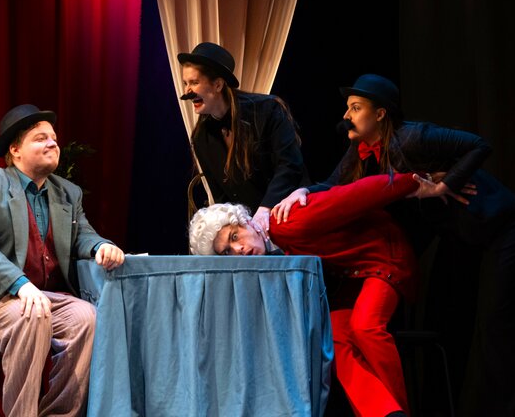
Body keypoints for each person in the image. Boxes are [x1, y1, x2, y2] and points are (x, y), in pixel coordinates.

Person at [273, 74, 515, 416]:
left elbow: (479, 145)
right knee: (450, 318)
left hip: (498, 224)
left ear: (380, 114)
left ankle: (512, 409)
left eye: (356, 108)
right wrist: (301, 192)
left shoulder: (413, 136)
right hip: (456, 234)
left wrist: (444, 185)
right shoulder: (360, 152)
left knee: (496, 323)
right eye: (347, 108)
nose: (346, 116)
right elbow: (333, 186)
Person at [190, 172, 446, 417]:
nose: (238, 249)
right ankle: (386, 412)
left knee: (365, 327)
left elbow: (359, 193)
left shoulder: (292, 220)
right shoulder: (271, 254)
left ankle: (401, 410)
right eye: (227, 251)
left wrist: (417, 183)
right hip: (355, 277)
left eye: (234, 236)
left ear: (247, 222)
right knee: (334, 337)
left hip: (385, 257)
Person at [0, 104, 125, 416]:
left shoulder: (67, 192)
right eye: (41, 138)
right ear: (15, 150)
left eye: (53, 138)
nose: (52, 143)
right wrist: (20, 284)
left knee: (87, 317)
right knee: (33, 315)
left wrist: (100, 246)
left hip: (44, 298)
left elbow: (83, 234)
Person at [178, 41, 309, 232]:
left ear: (218, 84)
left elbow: (290, 165)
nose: (187, 92)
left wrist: (265, 209)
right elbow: (222, 198)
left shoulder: (267, 110)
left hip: (289, 214)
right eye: (185, 83)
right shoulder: (201, 138)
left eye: (194, 82)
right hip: (251, 232)